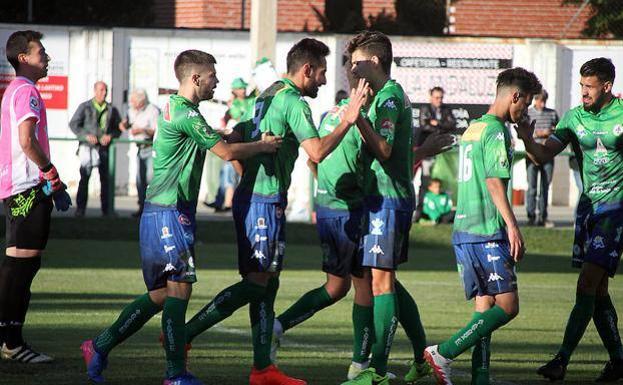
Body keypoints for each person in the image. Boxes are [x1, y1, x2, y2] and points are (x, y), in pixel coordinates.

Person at [80, 49, 281, 385]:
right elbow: (226, 151)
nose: (216, 82)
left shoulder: (182, 109)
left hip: (165, 210)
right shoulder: (186, 113)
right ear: (195, 78)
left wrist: (238, 133)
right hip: (169, 211)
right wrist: (262, 145)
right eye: (213, 76)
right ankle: (175, 374)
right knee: (179, 289)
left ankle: (99, 345)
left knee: (162, 295)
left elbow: (220, 139)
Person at [182, 38, 369, 385]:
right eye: (322, 74)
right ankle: (185, 333)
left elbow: (241, 138)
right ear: (307, 70)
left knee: (268, 286)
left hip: (263, 200)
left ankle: (262, 369)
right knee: (256, 284)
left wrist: (248, 181)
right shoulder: (292, 101)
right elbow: (315, 151)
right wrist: (349, 120)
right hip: (262, 204)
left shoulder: (268, 93)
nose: (325, 82)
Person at [271, 64, 453, 384]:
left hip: (331, 209)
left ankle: (408, 355)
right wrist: (423, 151)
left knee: (358, 284)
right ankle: (364, 364)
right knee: (370, 285)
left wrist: (325, 191)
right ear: (366, 90)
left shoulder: (333, 113)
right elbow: (384, 160)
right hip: (350, 211)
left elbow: (315, 158)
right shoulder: (357, 120)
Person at [424, 67, 541, 385]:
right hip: (487, 230)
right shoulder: (496, 131)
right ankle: (443, 353)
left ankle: (481, 375)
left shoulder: (473, 128)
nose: (525, 110)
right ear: (514, 96)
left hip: (463, 228)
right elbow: (493, 182)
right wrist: (512, 225)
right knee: (508, 306)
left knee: (485, 307)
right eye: (526, 103)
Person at [517, 58, 623, 382]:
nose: (583, 92)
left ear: (607, 86)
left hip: (616, 210)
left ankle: (561, 360)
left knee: (586, 283)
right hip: (588, 209)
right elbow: (542, 155)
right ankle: (619, 361)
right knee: (599, 291)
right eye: (581, 85)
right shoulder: (574, 117)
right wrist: (525, 137)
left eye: (589, 86)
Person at [338, 30, 428, 385]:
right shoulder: (384, 96)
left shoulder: (389, 98)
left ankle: (375, 370)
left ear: (374, 61)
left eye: (356, 60)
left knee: (382, 281)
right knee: (383, 277)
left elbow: (386, 150)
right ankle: (423, 358)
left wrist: (356, 116)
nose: (352, 66)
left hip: (388, 200)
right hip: (381, 198)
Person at [0, 30, 72, 363]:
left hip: (23, 187)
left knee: (21, 265)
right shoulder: (25, 90)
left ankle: (10, 340)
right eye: (41, 52)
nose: (47, 57)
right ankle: (12, 343)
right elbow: (27, 141)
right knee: (20, 267)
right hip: (26, 188)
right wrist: (51, 174)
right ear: (24, 58)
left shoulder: (17, 90)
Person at [69, 81, 122, 217]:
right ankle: (80, 210)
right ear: (95, 91)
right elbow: (74, 124)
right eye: (101, 90)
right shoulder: (85, 106)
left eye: (106, 90)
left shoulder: (111, 109)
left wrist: (110, 136)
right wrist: (86, 136)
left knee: (106, 180)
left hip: (104, 149)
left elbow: (118, 129)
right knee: (84, 178)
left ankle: (107, 211)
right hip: (87, 148)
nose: (104, 93)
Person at [206, 77, 255, 212]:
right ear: (234, 90)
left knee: (239, 174)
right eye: (240, 88)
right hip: (234, 142)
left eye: (244, 87)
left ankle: (228, 203)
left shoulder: (250, 101)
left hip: (246, 143)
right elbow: (238, 117)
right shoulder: (234, 104)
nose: (243, 90)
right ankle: (224, 202)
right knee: (228, 173)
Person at [415, 87, 456, 222]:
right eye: (436, 97)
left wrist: (436, 123)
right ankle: (420, 212)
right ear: (431, 97)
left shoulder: (446, 110)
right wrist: (441, 126)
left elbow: (452, 124)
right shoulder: (425, 109)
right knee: (425, 181)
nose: (439, 100)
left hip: (441, 151)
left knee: (440, 181)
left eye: (441, 98)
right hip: (427, 151)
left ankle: (441, 212)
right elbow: (424, 126)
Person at [119, 89, 160, 217]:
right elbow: (126, 124)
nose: (131, 104)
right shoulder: (132, 111)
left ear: (141, 101)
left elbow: (157, 131)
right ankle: (142, 207)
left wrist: (142, 130)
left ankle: (153, 208)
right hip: (140, 148)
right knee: (139, 179)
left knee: (150, 178)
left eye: (133, 101)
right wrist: (123, 125)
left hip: (151, 147)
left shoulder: (153, 110)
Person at [525, 89, 558, 227]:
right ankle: (531, 216)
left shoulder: (552, 113)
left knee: (545, 187)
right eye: (540, 100)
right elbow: (525, 132)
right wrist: (540, 133)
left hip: (548, 155)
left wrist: (551, 131)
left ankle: (543, 217)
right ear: (535, 100)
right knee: (532, 187)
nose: (542, 104)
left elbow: (559, 130)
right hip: (532, 155)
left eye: (544, 101)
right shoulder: (528, 113)